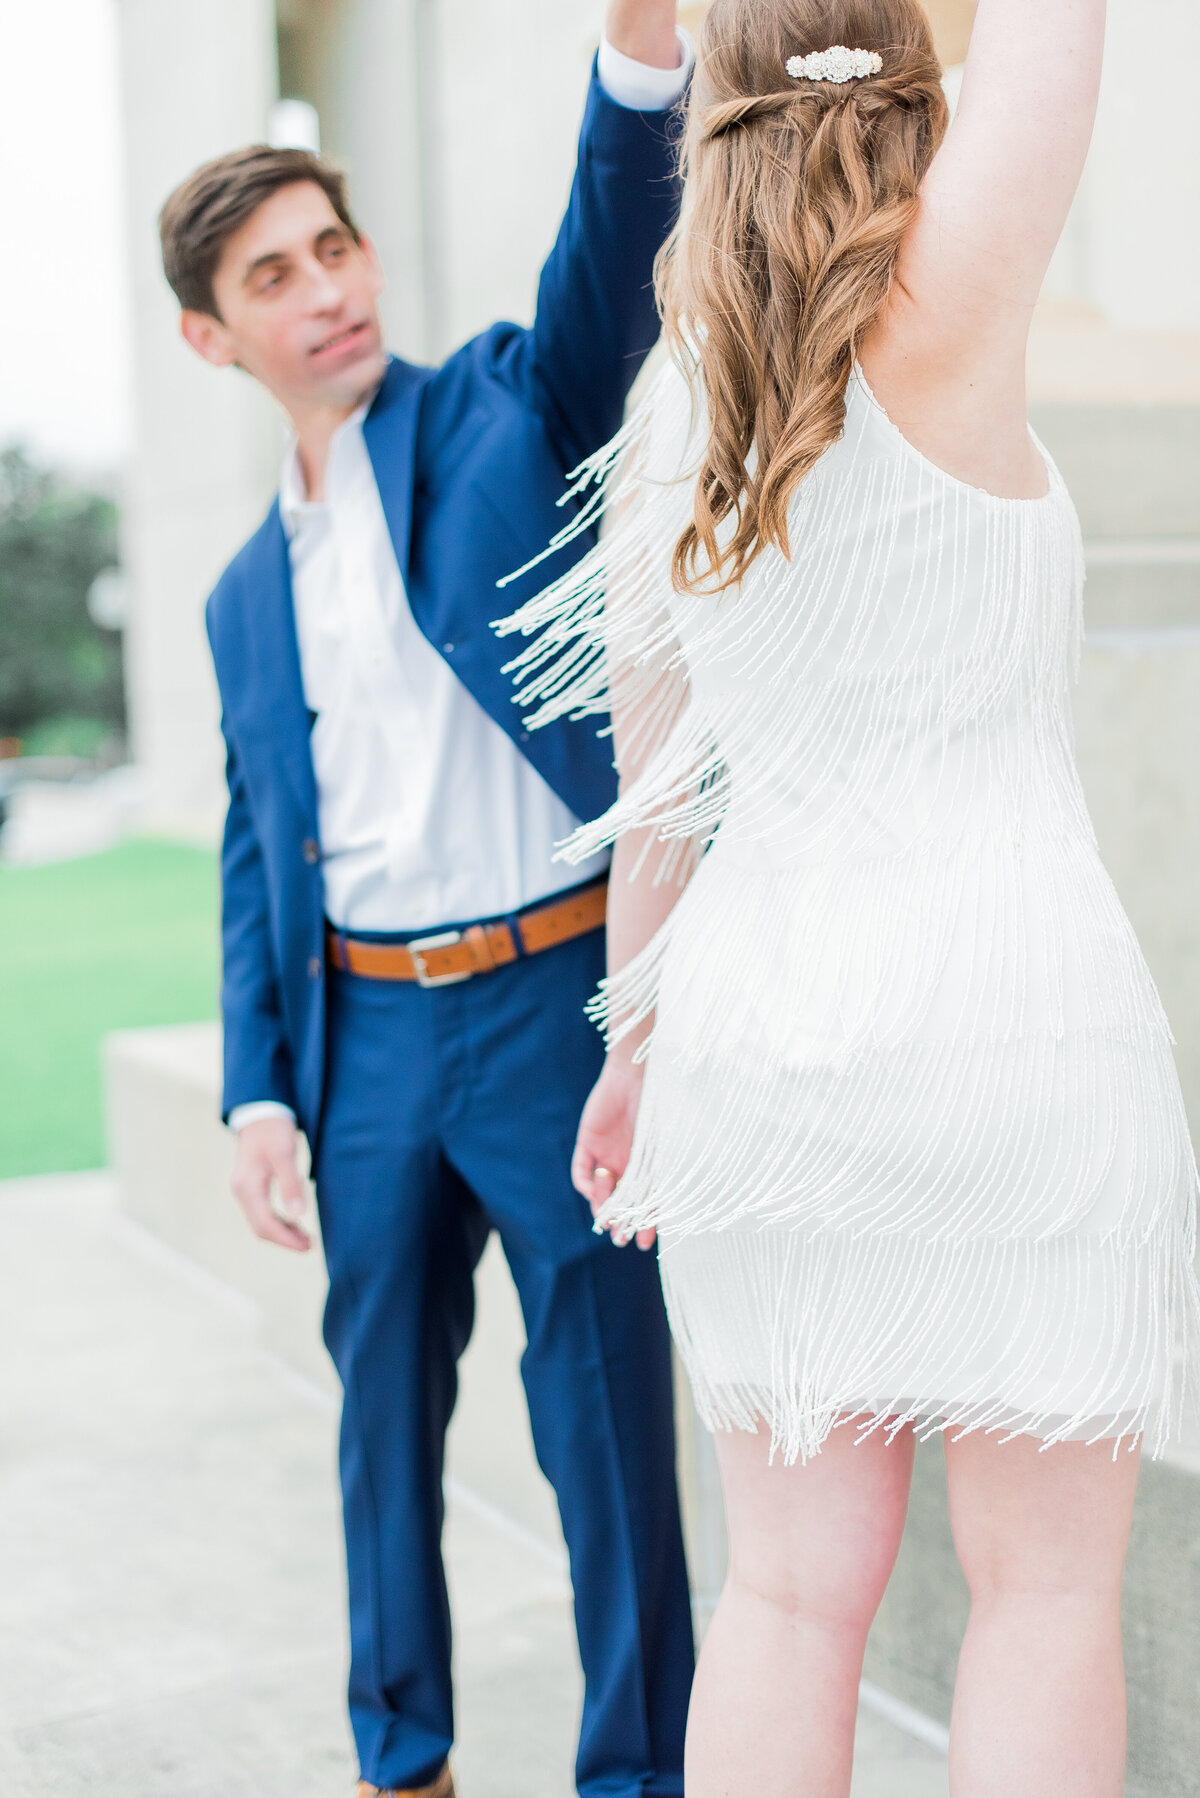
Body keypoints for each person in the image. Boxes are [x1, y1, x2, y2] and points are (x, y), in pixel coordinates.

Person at [497, 1, 1200, 1793]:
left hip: (759, 1038)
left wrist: (629, 1050)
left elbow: (656, 793)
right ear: (908, 83)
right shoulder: (954, 292)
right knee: (1041, 1591)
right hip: (1013, 1012)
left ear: (713, 122)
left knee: (792, 1595)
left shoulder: (673, 413)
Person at [158, 8, 697, 1795]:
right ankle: (407, 1758)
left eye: (335, 246)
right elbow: (260, 855)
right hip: (371, 1041)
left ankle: (640, 1773)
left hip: (552, 1004)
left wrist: (637, 65)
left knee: (606, 1431)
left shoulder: (492, 406)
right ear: (210, 334)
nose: (324, 289)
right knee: (380, 1430)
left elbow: (603, 264)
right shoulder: (242, 596)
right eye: (273, 274)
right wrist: (256, 1083)